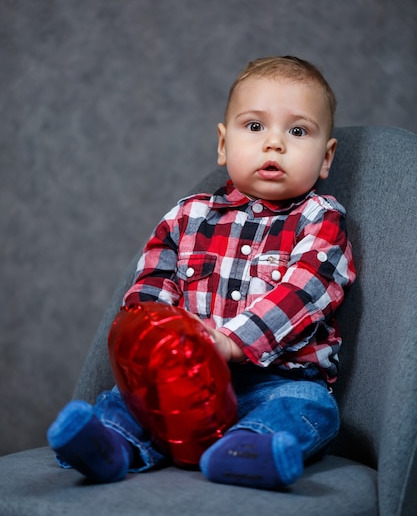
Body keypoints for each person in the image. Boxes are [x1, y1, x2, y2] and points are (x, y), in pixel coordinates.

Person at [47, 56, 356, 490]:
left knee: (311, 408)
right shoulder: (186, 217)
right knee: (124, 403)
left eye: (297, 131)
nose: (274, 144)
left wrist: (230, 342)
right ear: (223, 144)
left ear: (325, 159)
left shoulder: (320, 219)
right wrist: (160, 337)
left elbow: (308, 288)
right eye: (254, 127)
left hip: (275, 380)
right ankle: (107, 447)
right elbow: (151, 286)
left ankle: (247, 450)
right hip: (184, 381)